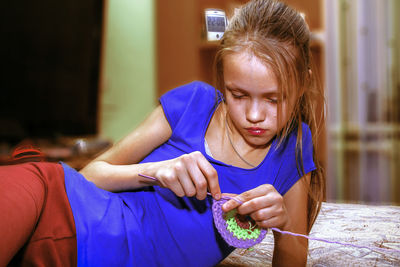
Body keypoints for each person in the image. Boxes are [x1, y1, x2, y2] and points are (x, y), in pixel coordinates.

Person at [0, 0, 325, 266]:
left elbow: (294, 252)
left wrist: (282, 226)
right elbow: (89, 174)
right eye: (237, 95)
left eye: (273, 98)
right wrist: (156, 172)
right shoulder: (193, 103)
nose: (255, 115)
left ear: (304, 83)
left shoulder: (294, 146)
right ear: (223, 77)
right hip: (52, 200)